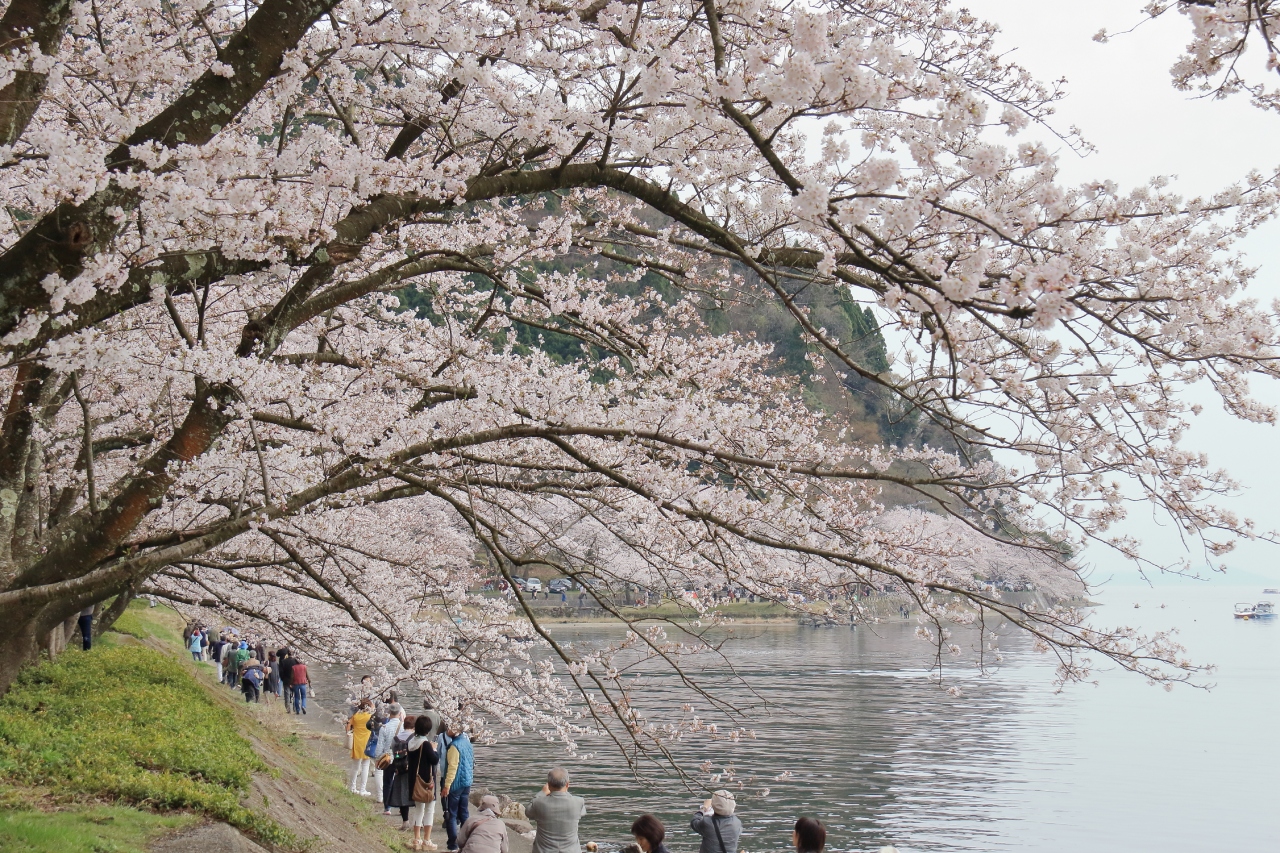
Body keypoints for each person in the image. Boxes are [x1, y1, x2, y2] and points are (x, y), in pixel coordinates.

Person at [527, 768, 585, 853]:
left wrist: (542, 793)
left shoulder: (538, 803)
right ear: (567, 784)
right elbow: (581, 813)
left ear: (548, 785)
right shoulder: (579, 802)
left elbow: (528, 813)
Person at [405, 715, 441, 851]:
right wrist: (434, 749)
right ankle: (427, 840)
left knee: (418, 810)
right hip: (426, 781)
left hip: (414, 780)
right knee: (430, 810)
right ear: (428, 730)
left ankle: (416, 839)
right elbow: (434, 760)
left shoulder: (411, 742)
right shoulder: (426, 744)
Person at [440, 721, 475, 851]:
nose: (447, 730)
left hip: (455, 785)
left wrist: (446, 786)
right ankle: (466, 840)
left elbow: (452, 767)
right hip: (466, 783)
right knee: (464, 812)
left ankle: (453, 844)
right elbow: (472, 762)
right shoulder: (467, 743)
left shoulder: (454, 746)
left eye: (449, 728)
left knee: (452, 814)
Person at [375, 703, 406, 816]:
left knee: (387, 782)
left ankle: (387, 807)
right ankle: (401, 807)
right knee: (400, 782)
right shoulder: (403, 726)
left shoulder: (384, 727)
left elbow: (380, 746)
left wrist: (378, 759)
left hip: (388, 757)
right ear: (399, 713)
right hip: (400, 757)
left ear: (389, 713)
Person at [348, 698, 375, 795]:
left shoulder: (355, 716)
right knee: (365, 766)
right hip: (367, 742)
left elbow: (349, 726)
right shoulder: (370, 717)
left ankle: (352, 787)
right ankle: (362, 789)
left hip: (357, 742)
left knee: (355, 766)